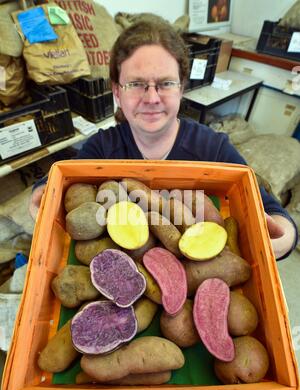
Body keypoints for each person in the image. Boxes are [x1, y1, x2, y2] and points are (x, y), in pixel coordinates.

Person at [30, 19, 298, 260]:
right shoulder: (102, 147)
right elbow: (60, 178)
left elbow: (274, 212)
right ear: (116, 91)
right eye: (135, 84)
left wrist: (284, 237)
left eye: (166, 83)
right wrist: (43, 192)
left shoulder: (213, 147)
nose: (151, 97)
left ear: (182, 88)